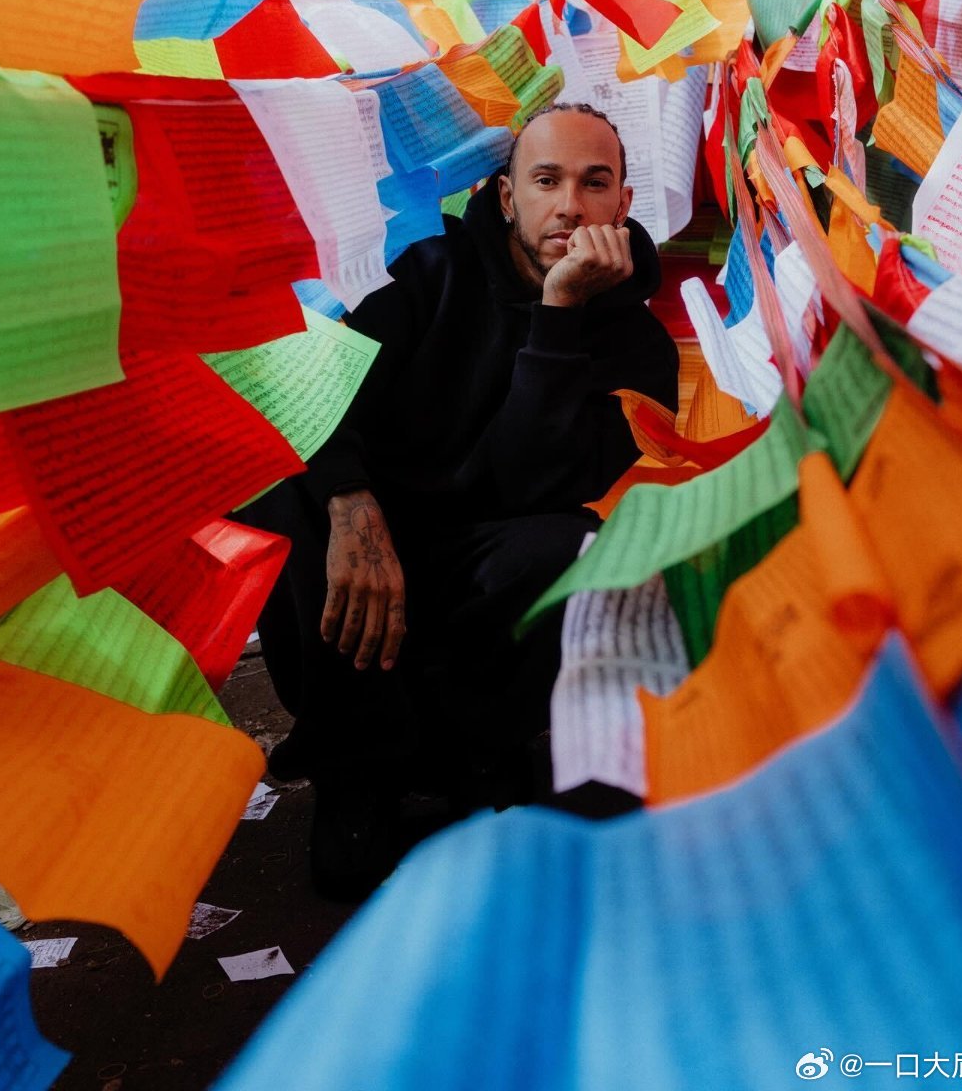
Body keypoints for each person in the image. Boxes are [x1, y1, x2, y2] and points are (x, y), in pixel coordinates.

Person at [245, 101, 679, 896]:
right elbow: (300, 373)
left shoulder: (636, 347)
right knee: (286, 492)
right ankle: (358, 776)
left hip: (477, 553)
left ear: (624, 204)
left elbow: (530, 484)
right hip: (359, 540)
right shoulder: (418, 266)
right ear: (507, 196)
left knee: (583, 549)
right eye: (546, 180)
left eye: (594, 183)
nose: (569, 206)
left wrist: (561, 315)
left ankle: (478, 745)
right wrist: (350, 500)